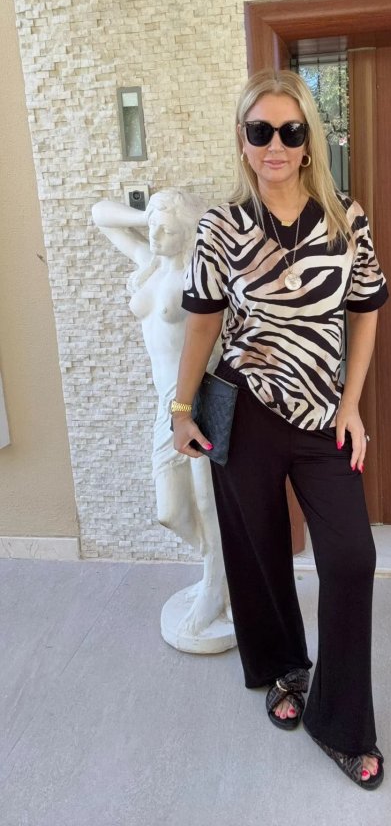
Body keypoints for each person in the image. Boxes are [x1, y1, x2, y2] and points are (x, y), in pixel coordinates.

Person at [171, 69, 389, 788]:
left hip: (324, 415)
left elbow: (366, 312)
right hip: (245, 410)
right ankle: (283, 670)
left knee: (351, 558)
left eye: (289, 131)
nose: (275, 144)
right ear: (242, 139)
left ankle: (342, 723)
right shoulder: (221, 227)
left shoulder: (344, 218)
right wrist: (180, 408)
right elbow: (203, 324)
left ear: (308, 141)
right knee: (258, 552)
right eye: (260, 130)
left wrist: (351, 404)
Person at [92, 189, 232, 644]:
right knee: (170, 511)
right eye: (153, 227)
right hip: (165, 407)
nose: (155, 235)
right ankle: (225, 569)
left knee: (207, 503)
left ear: (187, 232)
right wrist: (149, 213)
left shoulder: (199, 274)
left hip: (196, 400)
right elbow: (100, 214)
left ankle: (215, 588)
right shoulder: (149, 263)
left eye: (166, 228)